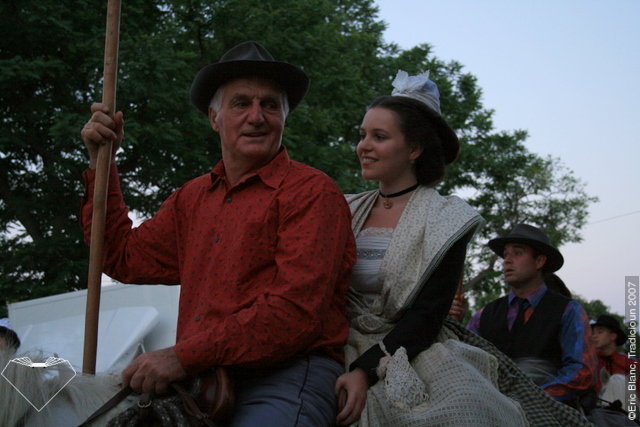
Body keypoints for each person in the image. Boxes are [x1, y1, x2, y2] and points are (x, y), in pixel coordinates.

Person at [80, 40, 355, 426]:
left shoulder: (312, 192)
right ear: (214, 117)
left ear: (284, 117)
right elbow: (120, 256)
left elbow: (293, 313)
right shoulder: (191, 198)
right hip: (203, 379)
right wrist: (102, 163)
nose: (256, 117)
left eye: (270, 105)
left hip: (286, 374)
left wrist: (180, 356)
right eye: (241, 103)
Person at [335, 70, 534, 426]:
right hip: (336, 340)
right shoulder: (342, 207)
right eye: (362, 135)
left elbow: (427, 316)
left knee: (461, 413)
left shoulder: (448, 218)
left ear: (414, 149)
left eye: (379, 137)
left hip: (411, 347)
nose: (364, 146)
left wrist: (365, 371)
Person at [467, 224, 599, 407]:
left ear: (539, 261)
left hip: (549, 410)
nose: (507, 260)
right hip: (488, 406)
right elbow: (465, 359)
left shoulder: (568, 310)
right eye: (505, 254)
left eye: (518, 253)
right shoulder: (484, 315)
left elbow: (582, 372)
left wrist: (533, 397)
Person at [591, 314, 637, 404]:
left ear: (613, 336)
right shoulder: (589, 362)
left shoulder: (630, 364)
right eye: (593, 333)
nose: (594, 336)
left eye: (600, 332)